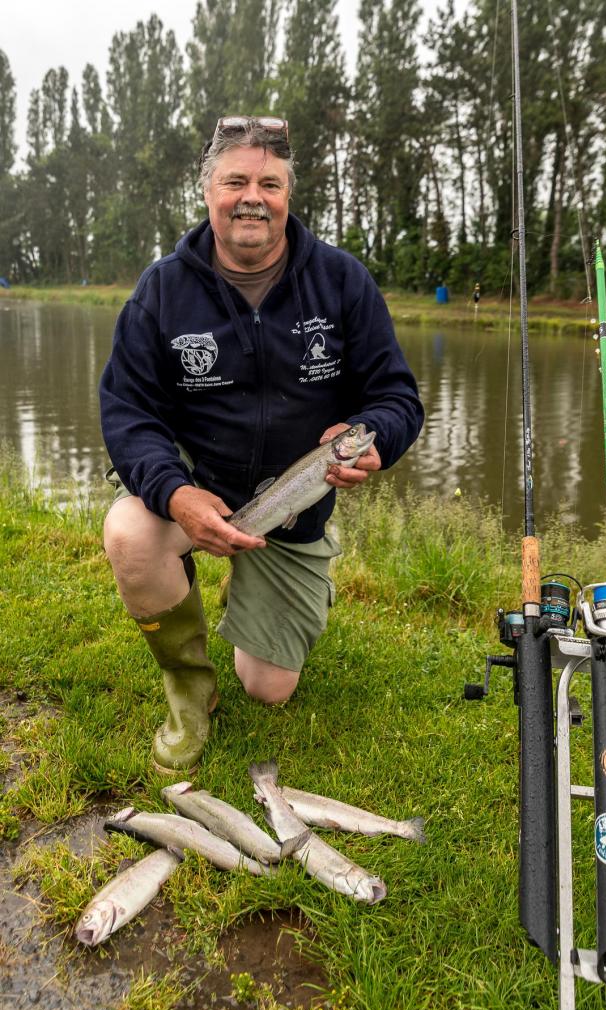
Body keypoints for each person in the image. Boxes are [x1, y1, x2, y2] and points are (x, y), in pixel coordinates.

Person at [99, 115, 424, 775]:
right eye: (236, 180)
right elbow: (128, 412)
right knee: (130, 530)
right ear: (209, 192)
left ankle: (272, 587)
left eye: (270, 183)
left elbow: (397, 398)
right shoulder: (160, 292)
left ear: (288, 196)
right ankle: (189, 687)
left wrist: (374, 439)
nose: (253, 196)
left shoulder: (341, 280)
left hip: (298, 513)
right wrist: (176, 492)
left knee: (269, 689)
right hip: (203, 496)